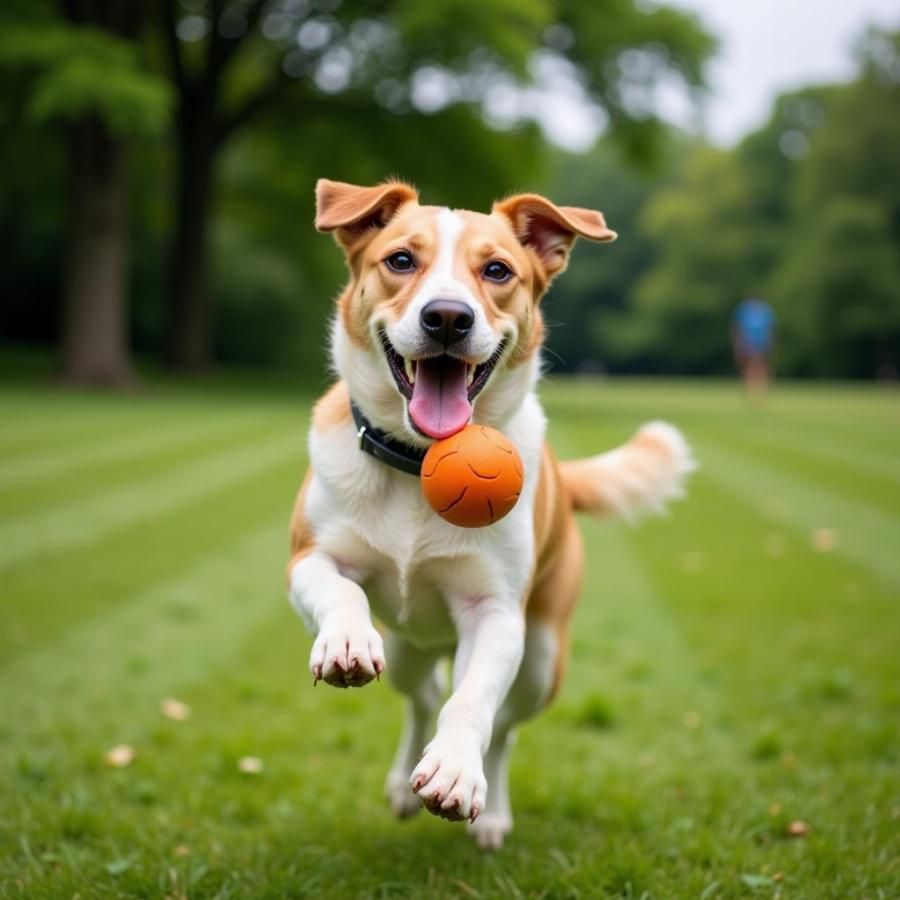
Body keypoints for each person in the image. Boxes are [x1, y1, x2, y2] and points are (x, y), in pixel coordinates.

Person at [732, 294, 775, 397]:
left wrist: (769, 343)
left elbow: (770, 330)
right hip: (747, 344)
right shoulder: (743, 311)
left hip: (761, 344)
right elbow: (737, 328)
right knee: (748, 367)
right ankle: (751, 389)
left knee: (760, 367)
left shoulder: (766, 311)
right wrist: (738, 345)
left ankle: (761, 388)